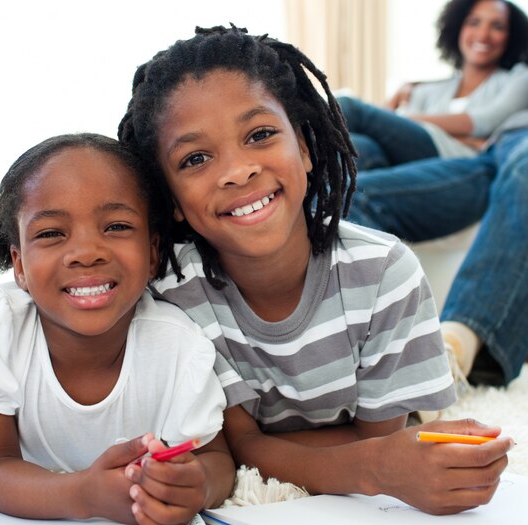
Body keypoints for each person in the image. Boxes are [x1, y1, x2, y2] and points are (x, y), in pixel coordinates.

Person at [118, 25, 514, 516]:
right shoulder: (180, 299)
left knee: (434, 400)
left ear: (304, 149)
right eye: (196, 158)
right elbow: (245, 448)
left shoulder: (386, 273)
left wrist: (368, 452)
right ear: (170, 198)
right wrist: (373, 465)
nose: (238, 171)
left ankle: (455, 352)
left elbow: (378, 439)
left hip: (386, 361)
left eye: (260, 134)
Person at [0, 133, 235, 524]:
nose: (86, 253)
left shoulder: (180, 346)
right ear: (18, 265)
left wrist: (195, 485)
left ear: (153, 253)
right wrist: (85, 494)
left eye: (116, 226)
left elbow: (217, 459)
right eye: (51, 233)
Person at [347, 110, 528, 390]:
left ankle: (451, 353)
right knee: (354, 195)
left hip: (515, 149)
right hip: (491, 151)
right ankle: (367, 346)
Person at [338, 0, 528, 170]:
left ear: (512, 36)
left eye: (497, 26)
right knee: (359, 146)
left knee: (350, 107)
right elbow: (398, 133)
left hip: (459, 166)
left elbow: (485, 122)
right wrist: (470, 141)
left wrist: (405, 119)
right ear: (458, 28)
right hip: (408, 162)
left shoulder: (519, 79)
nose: (483, 34)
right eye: (474, 22)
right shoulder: (427, 90)